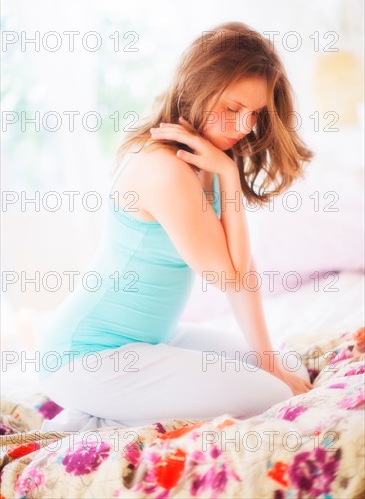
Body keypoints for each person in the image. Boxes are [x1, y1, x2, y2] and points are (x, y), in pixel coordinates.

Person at [37, 22, 315, 430]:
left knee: (289, 371)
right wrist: (228, 174)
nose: (242, 128)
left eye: (253, 115)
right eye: (232, 109)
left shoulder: (207, 155)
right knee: (271, 396)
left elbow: (244, 270)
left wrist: (268, 360)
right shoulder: (165, 168)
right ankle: (89, 420)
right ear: (196, 88)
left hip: (152, 340)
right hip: (86, 354)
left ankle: (107, 408)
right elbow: (227, 276)